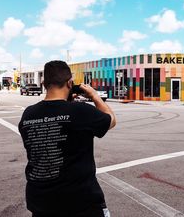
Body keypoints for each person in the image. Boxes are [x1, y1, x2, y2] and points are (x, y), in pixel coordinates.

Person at [18, 61, 116, 217]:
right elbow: (111, 120)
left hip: (41, 204)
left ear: (44, 84)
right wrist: (94, 96)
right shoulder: (80, 111)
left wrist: (67, 105)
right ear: (70, 83)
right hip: (80, 204)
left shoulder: (28, 114)